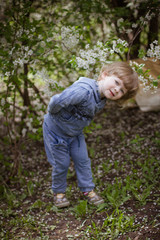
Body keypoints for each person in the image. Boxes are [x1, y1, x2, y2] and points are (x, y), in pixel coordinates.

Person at [43, 62, 139, 208]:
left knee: (83, 161)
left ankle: (88, 190)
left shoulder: (102, 97)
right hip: (56, 132)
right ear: (105, 74)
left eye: (121, 91)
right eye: (116, 82)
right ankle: (59, 194)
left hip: (75, 133)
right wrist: (54, 115)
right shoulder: (83, 91)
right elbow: (57, 101)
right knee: (61, 163)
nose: (116, 89)